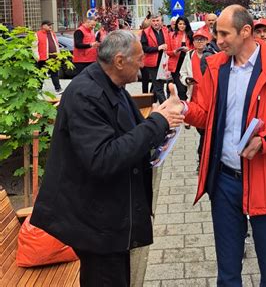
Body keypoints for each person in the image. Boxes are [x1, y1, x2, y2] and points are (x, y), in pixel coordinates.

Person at [30, 30, 185, 286]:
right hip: (94, 221)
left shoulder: (114, 86)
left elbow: (133, 134)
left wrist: (162, 120)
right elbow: (103, 158)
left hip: (110, 214)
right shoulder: (86, 94)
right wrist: (157, 122)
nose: (143, 64)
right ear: (120, 61)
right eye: (138, 59)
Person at [179, 5, 266, 286]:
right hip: (225, 182)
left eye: (224, 34)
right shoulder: (216, 67)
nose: (218, 40)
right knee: (227, 272)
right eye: (216, 33)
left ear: (245, 32)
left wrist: (265, 141)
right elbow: (205, 115)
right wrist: (182, 108)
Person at [180, 28, 210, 172]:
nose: (199, 42)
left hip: (209, 99)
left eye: (202, 39)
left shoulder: (213, 55)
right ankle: (203, 161)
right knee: (202, 131)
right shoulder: (189, 55)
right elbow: (182, 73)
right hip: (195, 97)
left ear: (207, 41)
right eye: (197, 39)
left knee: (205, 132)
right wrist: (187, 80)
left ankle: (203, 161)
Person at [140, 14, 170, 103]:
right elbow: (144, 48)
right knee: (158, 87)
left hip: (164, 61)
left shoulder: (166, 30)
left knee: (160, 84)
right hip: (153, 62)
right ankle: (165, 106)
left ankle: (151, 102)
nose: (155, 23)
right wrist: (158, 48)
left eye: (157, 21)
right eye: (153, 21)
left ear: (161, 21)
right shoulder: (145, 32)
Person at [33, 20, 63, 94]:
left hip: (53, 57)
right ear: (43, 26)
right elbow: (34, 47)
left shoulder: (52, 33)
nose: (50, 26)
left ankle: (58, 88)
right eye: (48, 25)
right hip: (43, 58)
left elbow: (56, 44)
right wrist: (37, 57)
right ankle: (39, 89)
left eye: (51, 25)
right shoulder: (37, 34)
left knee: (54, 73)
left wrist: (58, 54)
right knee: (41, 74)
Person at [168, 16, 194, 101]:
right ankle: (182, 106)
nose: (182, 26)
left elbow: (195, 50)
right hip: (175, 65)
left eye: (184, 24)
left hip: (187, 64)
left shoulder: (191, 35)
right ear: (177, 25)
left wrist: (188, 50)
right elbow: (168, 52)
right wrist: (174, 52)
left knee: (188, 87)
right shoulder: (171, 35)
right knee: (181, 88)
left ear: (187, 25)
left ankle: (187, 107)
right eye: (180, 24)